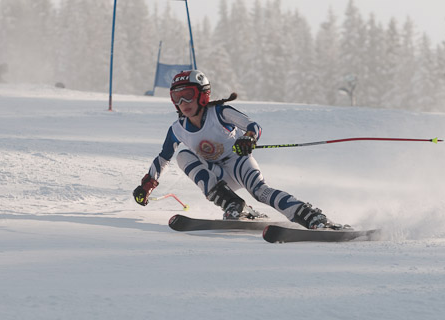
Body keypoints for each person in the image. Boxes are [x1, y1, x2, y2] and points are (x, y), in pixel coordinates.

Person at [133, 69, 333, 229]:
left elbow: (253, 126)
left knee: (259, 192)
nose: (183, 103)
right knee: (183, 156)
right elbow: (163, 158)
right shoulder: (178, 129)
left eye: (188, 95)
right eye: (177, 97)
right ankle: (232, 204)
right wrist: (147, 184)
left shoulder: (219, 113)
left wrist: (249, 138)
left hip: (238, 162)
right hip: (218, 176)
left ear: (202, 95)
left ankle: (308, 215)